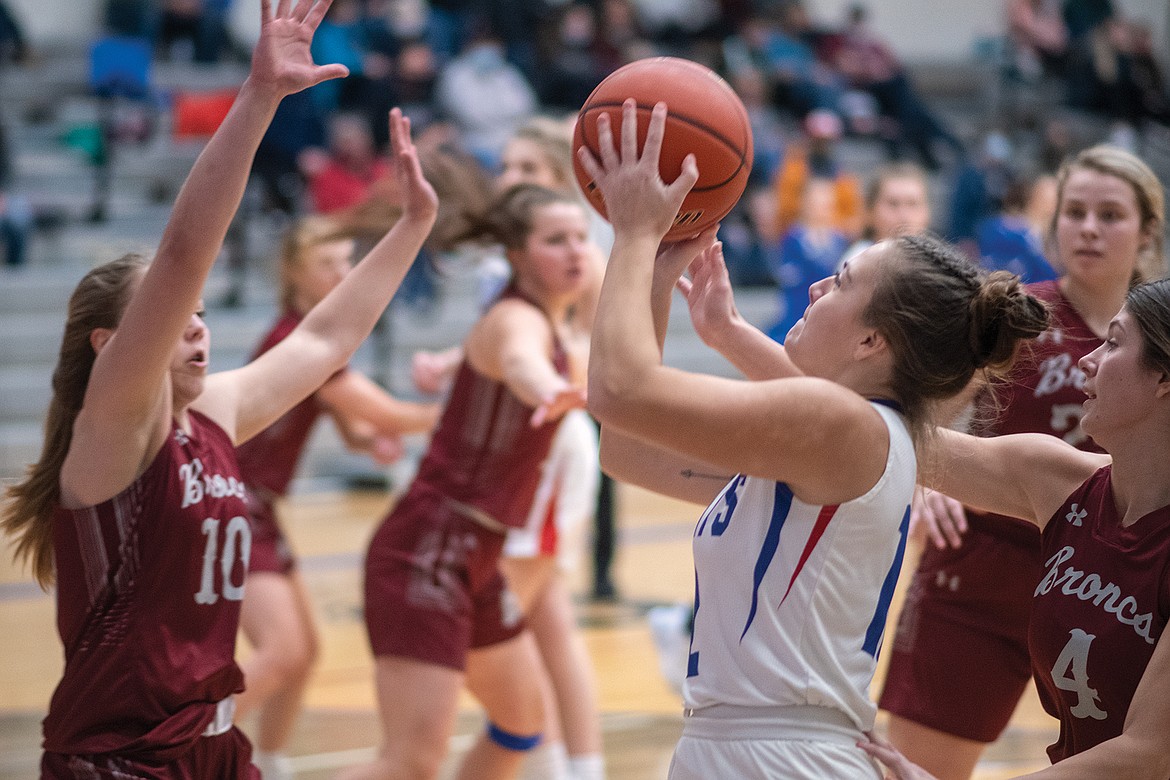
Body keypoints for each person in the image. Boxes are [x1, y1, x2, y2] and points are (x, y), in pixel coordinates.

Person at [0, 2, 437, 776]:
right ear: (111, 346)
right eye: (176, 316)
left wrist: (409, 228)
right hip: (122, 758)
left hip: (215, 746)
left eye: (202, 314)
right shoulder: (114, 431)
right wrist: (259, 98)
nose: (197, 326)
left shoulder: (213, 414)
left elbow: (325, 339)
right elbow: (181, 255)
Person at [577, 99, 1048, 779]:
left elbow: (618, 391)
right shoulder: (828, 442)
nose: (822, 282)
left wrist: (631, 234)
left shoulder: (841, 426)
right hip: (745, 746)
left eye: (845, 282)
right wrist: (653, 274)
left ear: (870, 339)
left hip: (782, 755)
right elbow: (626, 447)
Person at [875, 144, 1167, 780]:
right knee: (919, 767)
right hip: (983, 574)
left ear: (1148, 232)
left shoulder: (1157, 334)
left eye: (1109, 214)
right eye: (1074, 212)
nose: (1087, 228)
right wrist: (932, 481)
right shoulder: (1018, 315)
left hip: (1114, 589)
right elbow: (921, 412)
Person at [339, 183, 591, 780]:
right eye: (556, 240)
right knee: (409, 764)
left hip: (480, 557)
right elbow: (520, 360)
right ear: (517, 254)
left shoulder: (551, 329)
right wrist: (547, 390)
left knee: (520, 726)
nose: (576, 251)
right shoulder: (515, 320)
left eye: (581, 237)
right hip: (426, 549)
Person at [233, 214, 441, 780]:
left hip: (260, 506)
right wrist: (460, 409)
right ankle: (178, 750)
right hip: (233, 502)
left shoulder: (313, 340)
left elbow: (353, 421)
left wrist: (371, 438)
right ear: (293, 273)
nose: (342, 274)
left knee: (302, 658)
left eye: (347, 261)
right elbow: (386, 411)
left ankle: (269, 764)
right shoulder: (298, 339)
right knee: (281, 654)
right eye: (327, 264)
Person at [841, 161, 931, 265]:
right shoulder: (856, 264)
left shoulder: (936, 265)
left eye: (913, 204)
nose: (904, 216)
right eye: (893, 204)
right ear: (869, 211)